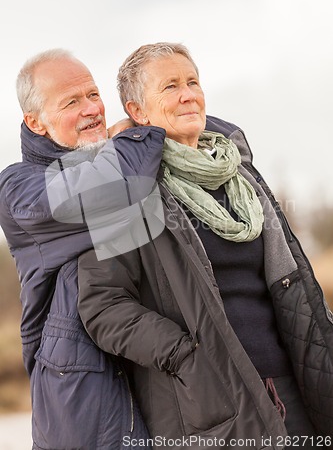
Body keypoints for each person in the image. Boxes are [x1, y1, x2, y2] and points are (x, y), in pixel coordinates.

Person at [78, 43, 333, 450]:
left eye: (193, 82)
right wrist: (186, 356)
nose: (188, 95)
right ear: (138, 111)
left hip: (293, 382)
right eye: (170, 86)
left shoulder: (240, 175)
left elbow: (289, 281)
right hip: (213, 400)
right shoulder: (126, 191)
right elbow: (103, 307)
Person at [0, 48, 166, 449]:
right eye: (71, 101)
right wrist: (139, 130)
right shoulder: (18, 189)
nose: (91, 109)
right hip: (80, 397)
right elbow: (120, 186)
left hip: (153, 371)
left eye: (93, 94)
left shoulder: (118, 156)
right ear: (35, 122)